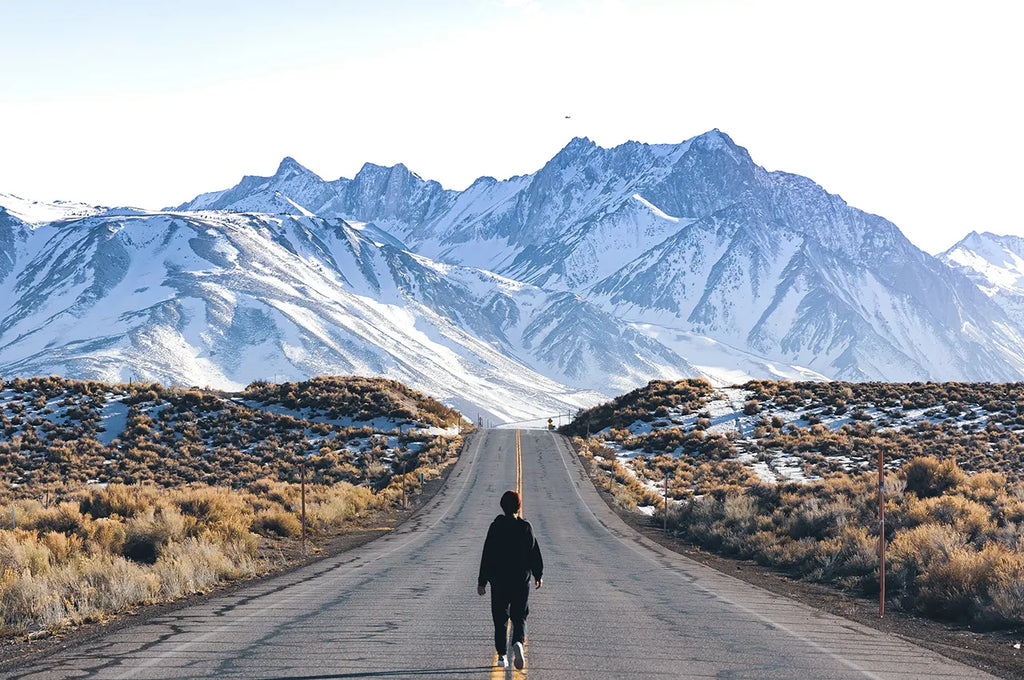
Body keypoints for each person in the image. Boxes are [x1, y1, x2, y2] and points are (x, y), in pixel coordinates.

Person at [477, 489, 543, 670]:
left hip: (499, 581)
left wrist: (482, 581)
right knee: (519, 616)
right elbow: (534, 553)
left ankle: (501, 656)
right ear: (518, 506)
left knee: (500, 618)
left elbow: (487, 555)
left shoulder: (495, 527)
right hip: (521, 581)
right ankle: (518, 643)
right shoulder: (526, 527)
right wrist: (538, 575)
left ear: (502, 506)